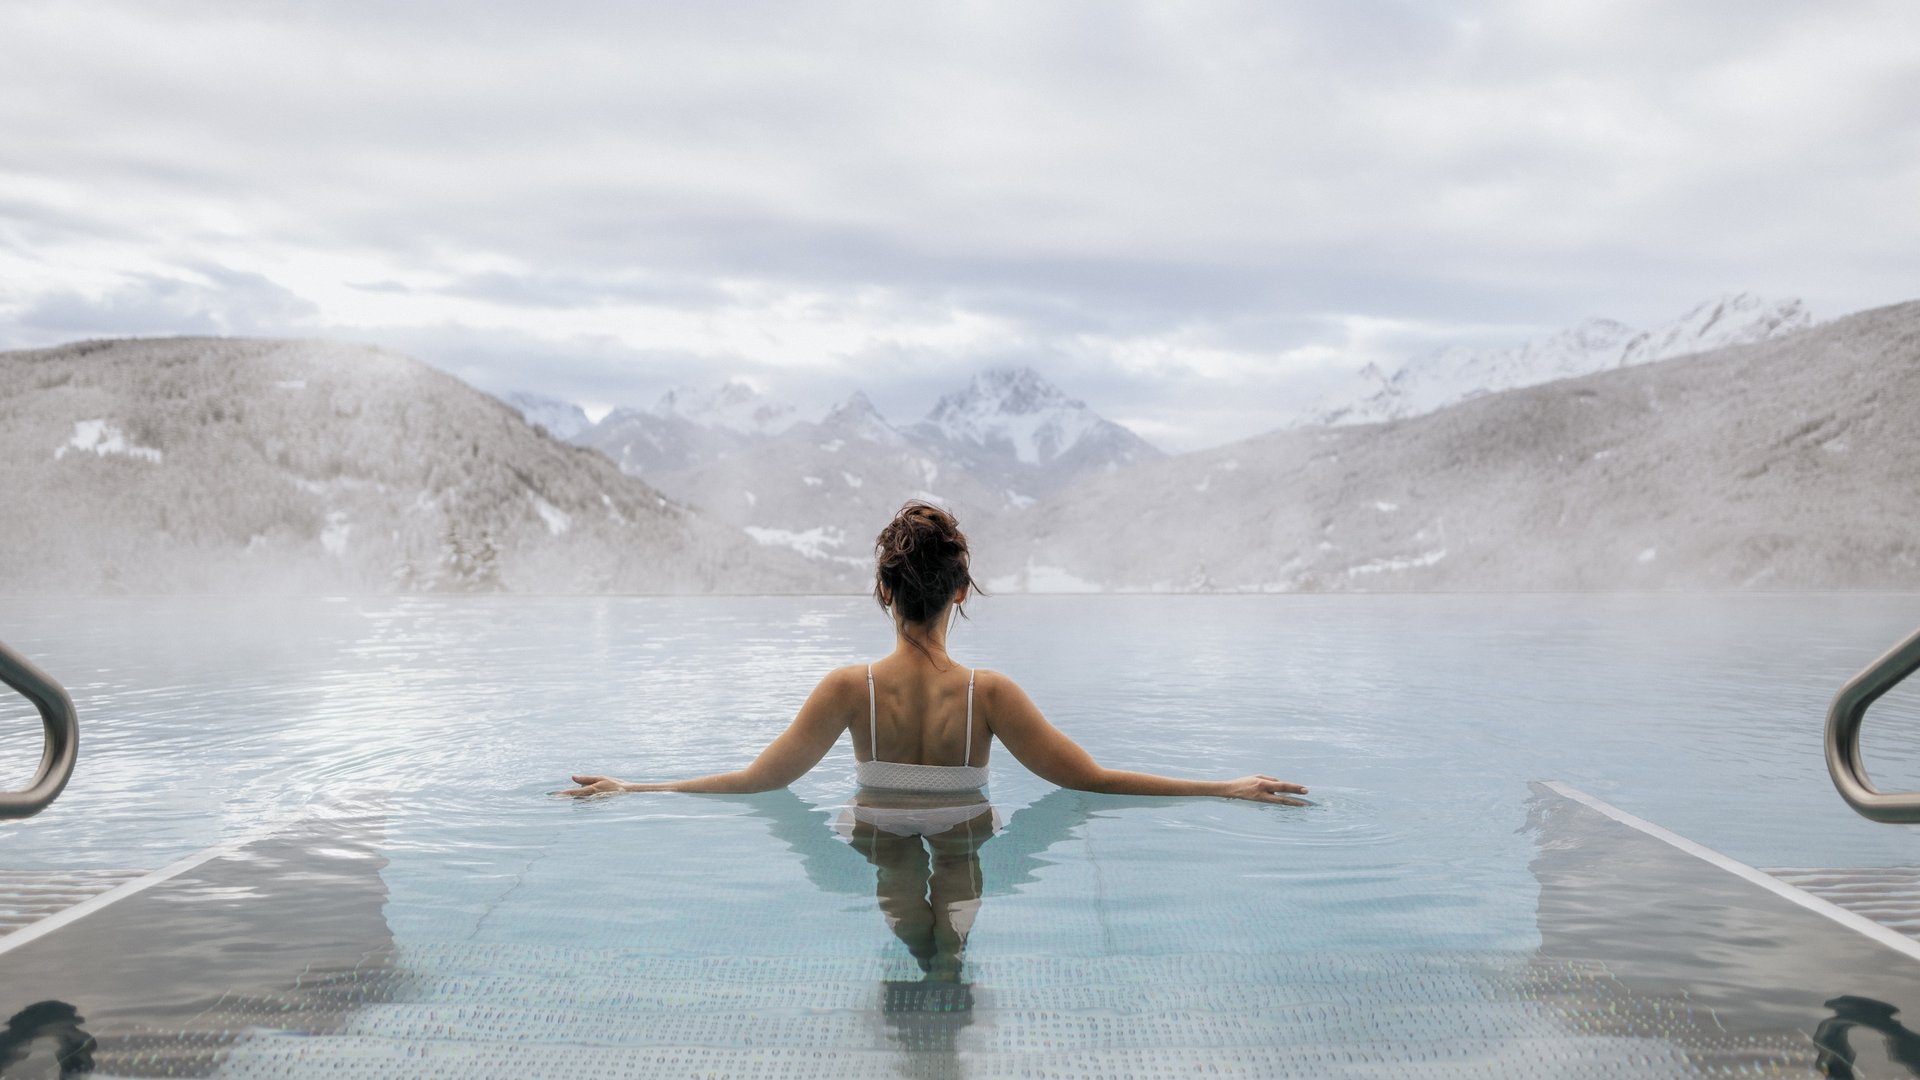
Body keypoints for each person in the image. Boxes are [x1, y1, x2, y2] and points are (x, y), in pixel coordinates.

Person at [561, 500, 1308, 806]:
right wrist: (1223, 788)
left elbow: (759, 782)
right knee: (949, 948)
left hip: (877, 839)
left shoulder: (846, 690)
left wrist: (636, 789)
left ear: (885, 594)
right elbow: (1093, 780)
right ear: (960, 594)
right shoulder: (993, 695)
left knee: (899, 927)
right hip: (964, 839)